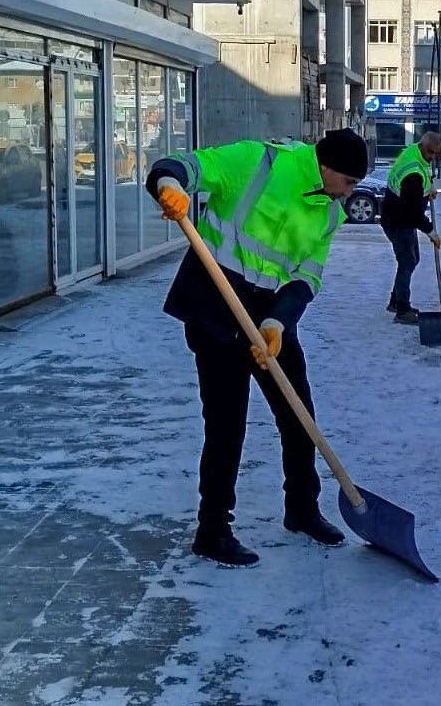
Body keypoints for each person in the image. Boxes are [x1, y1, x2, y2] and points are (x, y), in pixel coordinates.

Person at [145, 127, 369, 567]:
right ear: (326, 168)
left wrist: (276, 324)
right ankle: (213, 529)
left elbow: (308, 276)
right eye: (349, 182)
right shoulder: (260, 161)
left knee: (297, 413)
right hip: (215, 304)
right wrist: (168, 185)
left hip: (267, 314)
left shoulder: (330, 211)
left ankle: (302, 509)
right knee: (227, 423)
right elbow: (189, 166)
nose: (352, 192)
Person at [381, 131, 441, 325]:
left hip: (400, 217)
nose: (433, 157)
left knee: (411, 260)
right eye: (431, 153)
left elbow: (421, 178)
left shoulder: (413, 153)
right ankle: (402, 310)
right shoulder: (413, 175)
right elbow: (413, 214)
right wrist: (431, 231)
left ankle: (396, 301)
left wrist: (429, 190)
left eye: (436, 153)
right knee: (408, 261)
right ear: (423, 147)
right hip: (399, 222)